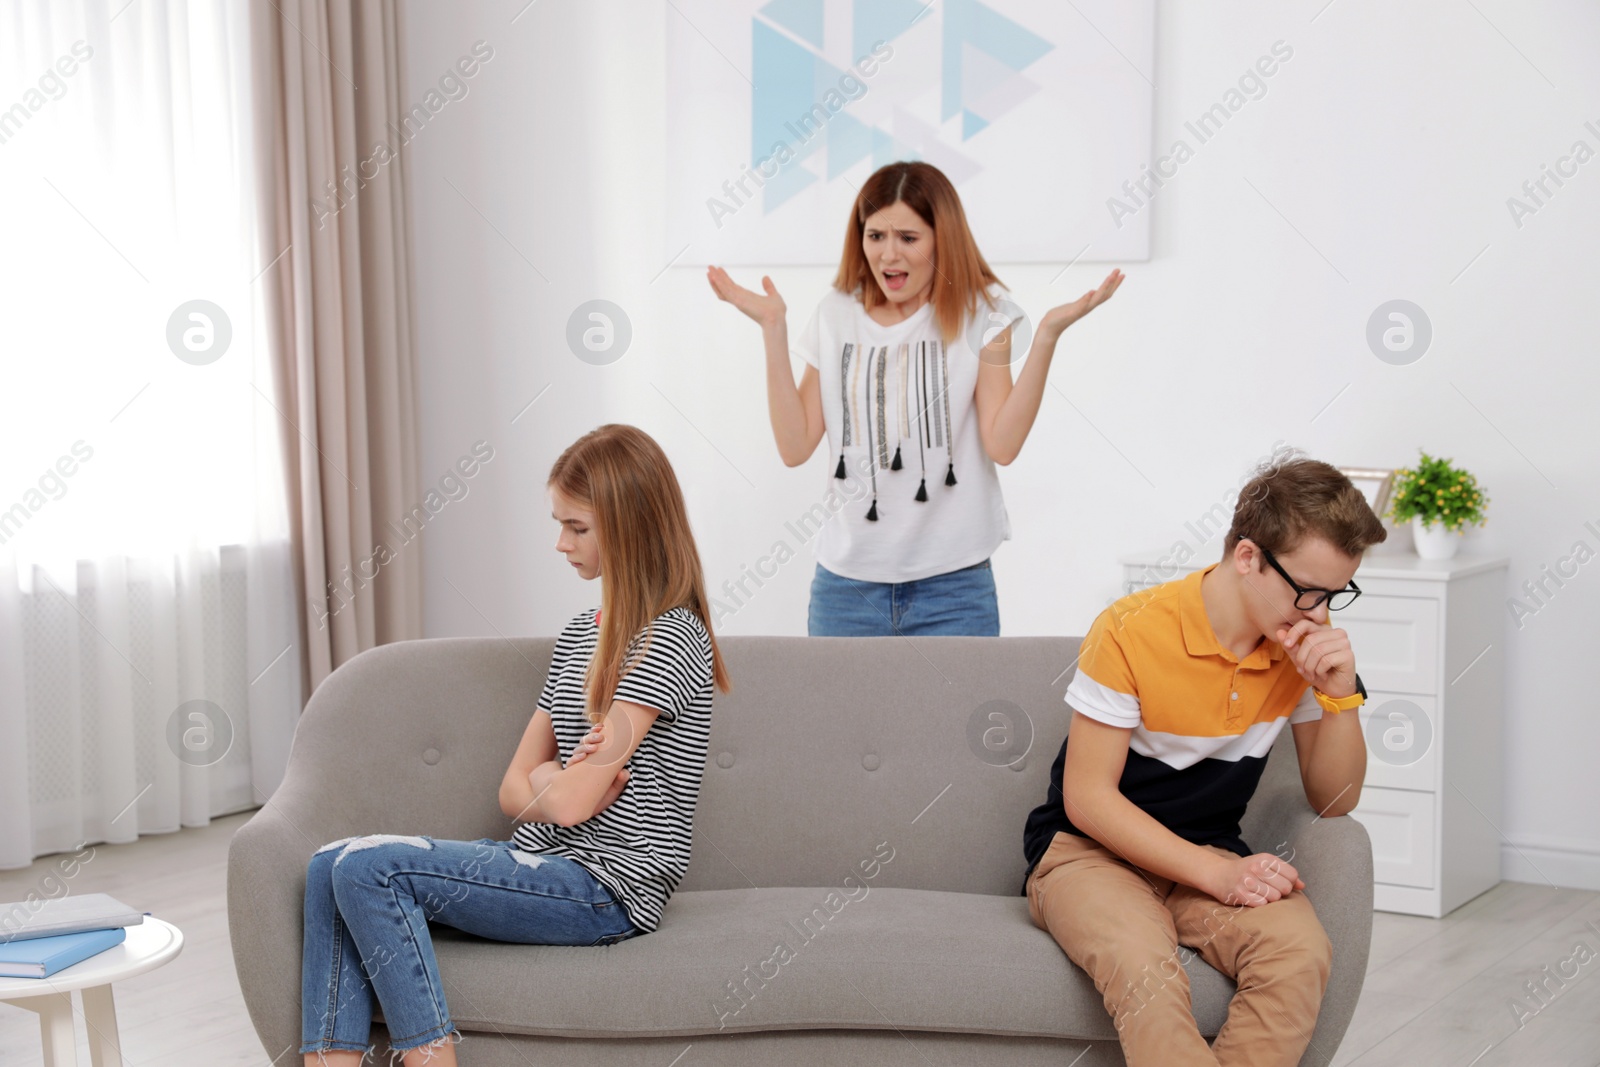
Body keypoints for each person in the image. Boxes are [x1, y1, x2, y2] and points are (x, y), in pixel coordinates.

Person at [300, 423, 730, 1066]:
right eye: (559, 524)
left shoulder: (667, 638)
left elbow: (569, 807)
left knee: (368, 866)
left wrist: (554, 784)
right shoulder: (581, 632)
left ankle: (431, 1059)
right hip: (540, 865)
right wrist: (554, 778)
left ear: (631, 525)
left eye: (577, 527)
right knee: (328, 863)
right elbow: (515, 791)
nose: (560, 544)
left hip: (603, 889)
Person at [1020, 453, 1385, 1067]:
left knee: (1298, 952)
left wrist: (1340, 694)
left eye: (1335, 595)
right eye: (1307, 592)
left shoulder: (1293, 650)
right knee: (1146, 970)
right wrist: (1216, 875)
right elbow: (1087, 798)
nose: (1319, 614)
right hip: (1088, 855)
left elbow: (1336, 799)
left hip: (1207, 855)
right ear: (1248, 558)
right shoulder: (1131, 629)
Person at [708, 160, 1123, 636]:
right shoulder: (835, 314)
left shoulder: (981, 315)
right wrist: (773, 330)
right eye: (875, 236)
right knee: (843, 715)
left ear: (942, 238)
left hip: (954, 589)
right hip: (847, 590)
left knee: (954, 714)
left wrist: (1047, 335)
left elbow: (1003, 445)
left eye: (908, 238)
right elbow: (795, 444)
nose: (889, 255)